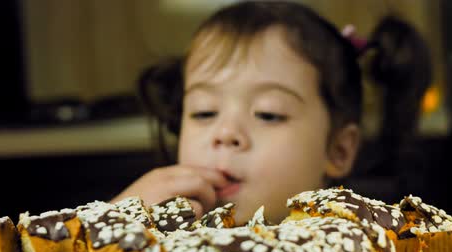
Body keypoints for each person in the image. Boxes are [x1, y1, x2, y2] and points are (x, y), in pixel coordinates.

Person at [112, 1, 432, 225]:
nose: (225, 134)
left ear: (338, 150)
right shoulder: (147, 235)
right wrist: (111, 222)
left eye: (267, 114)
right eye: (204, 112)